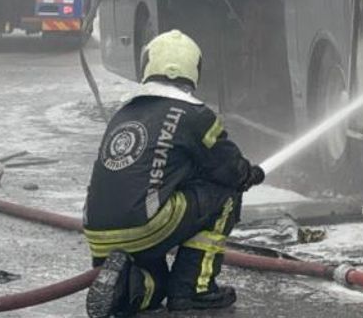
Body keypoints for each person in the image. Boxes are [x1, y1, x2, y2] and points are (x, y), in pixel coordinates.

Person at [83, 29, 265, 317]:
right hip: (146, 225)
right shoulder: (195, 115)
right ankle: (194, 289)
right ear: (194, 69)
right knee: (226, 195)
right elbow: (230, 170)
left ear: (147, 65)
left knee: (156, 286)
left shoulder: (126, 111)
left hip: (98, 232)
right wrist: (249, 174)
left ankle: (130, 286)